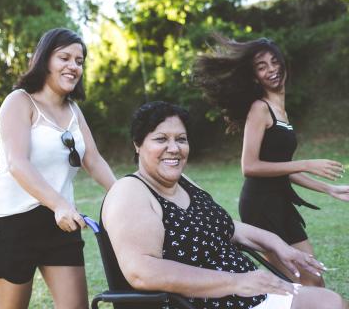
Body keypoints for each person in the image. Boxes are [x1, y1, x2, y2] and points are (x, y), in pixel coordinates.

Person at [101, 101, 347, 309]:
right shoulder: (130, 192)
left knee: (330, 302)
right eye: (161, 139)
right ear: (138, 144)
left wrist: (280, 246)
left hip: (248, 295)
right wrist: (235, 282)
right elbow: (142, 271)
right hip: (203, 302)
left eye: (181, 139)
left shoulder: (183, 183)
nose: (174, 148)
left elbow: (227, 227)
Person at [0, 28, 116, 309]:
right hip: (11, 222)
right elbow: (17, 163)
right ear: (44, 60)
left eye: (79, 61)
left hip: (60, 224)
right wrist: (59, 204)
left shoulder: (74, 110)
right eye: (64, 57)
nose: (73, 66)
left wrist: (126, 193)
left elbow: (93, 160)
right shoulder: (19, 101)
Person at [192, 35, 349, 286]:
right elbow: (250, 166)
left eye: (274, 62)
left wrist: (329, 189)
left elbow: (280, 169)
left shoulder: (281, 112)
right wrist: (306, 163)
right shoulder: (260, 108)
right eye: (262, 66)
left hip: (282, 202)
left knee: (314, 279)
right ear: (255, 76)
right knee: (296, 284)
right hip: (261, 206)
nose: (271, 69)